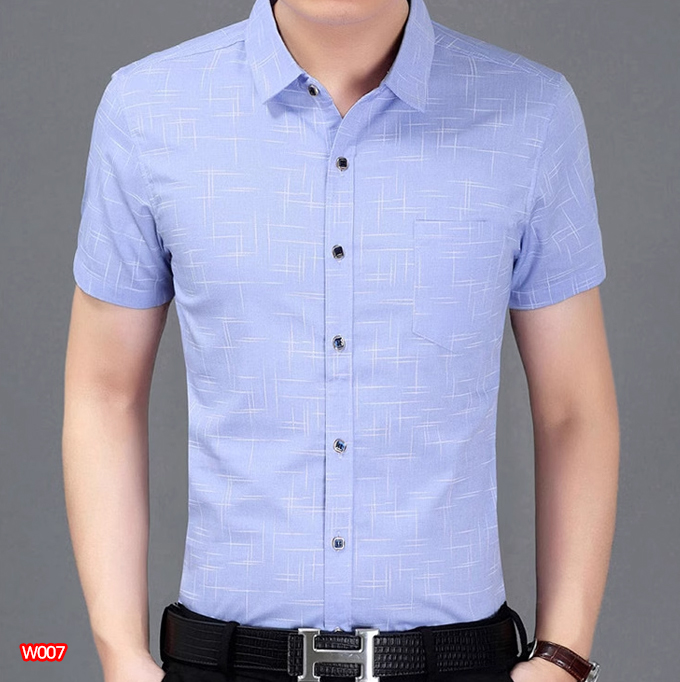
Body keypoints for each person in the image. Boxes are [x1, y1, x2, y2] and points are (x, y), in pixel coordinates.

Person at [62, 1, 619, 681]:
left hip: (455, 663)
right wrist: (121, 655)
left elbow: (573, 411)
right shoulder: (148, 110)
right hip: (224, 662)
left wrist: (563, 656)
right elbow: (104, 392)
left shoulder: (532, 114)